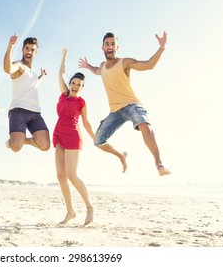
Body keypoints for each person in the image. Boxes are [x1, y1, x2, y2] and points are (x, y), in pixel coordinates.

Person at [79, 31, 171, 176]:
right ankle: (121, 155)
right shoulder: (103, 66)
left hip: (131, 104)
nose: (110, 47)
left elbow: (148, 65)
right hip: (115, 112)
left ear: (117, 47)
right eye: (107, 44)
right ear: (102, 47)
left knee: (144, 124)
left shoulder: (125, 62)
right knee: (97, 140)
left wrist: (161, 48)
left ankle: (159, 164)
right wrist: (88, 65)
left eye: (113, 44)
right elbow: (97, 71)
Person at [53, 48, 95, 226]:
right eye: (74, 83)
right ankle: (70, 211)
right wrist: (64, 57)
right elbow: (60, 73)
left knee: (72, 175)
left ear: (82, 87)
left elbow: (86, 123)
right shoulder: (63, 95)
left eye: (79, 84)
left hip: (73, 137)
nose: (76, 86)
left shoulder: (81, 102)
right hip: (58, 135)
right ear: (70, 84)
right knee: (61, 176)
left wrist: (95, 138)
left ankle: (90, 208)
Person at [3, 34, 50, 152]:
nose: (29, 52)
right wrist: (10, 46)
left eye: (32, 49)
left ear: (36, 52)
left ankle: (20, 139)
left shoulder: (33, 71)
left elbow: (32, 85)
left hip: (35, 113)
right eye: (27, 48)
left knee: (45, 145)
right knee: (16, 147)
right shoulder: (19, 66)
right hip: (18, 111)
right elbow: (8, 69)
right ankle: (12, 142)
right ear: (23, 50)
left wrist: (41, 77)